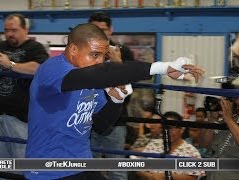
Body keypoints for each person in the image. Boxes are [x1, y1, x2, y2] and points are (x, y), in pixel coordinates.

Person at [25, 23, 204, 180]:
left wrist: (115, 99)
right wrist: (162, 68)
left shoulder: (93, 81)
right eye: (94, 55)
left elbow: (103, 125)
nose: (99, 61)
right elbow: (103, 72)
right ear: (73, 49)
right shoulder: (53, 69)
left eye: (103, 56)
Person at [0, 13, 49, 160]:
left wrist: (12, 65)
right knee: (0, 162)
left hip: (22, 117)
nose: (9, 34)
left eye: (14, 30)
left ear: (25, 29)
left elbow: (40, 68)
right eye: (6, 30)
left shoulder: (35, 48)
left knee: (22, 162)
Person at [88, 11, 135, 180]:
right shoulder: (83, 54)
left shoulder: (124, 52)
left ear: (110, 30)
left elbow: (129, 89)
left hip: (116, 121)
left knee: (117, 171)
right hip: (88, 120)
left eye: (103, 29)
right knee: (89, 170)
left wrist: (117, 63)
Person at [201, 75, 239, 180]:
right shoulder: (233, 117)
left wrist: (229, 120)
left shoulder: (230, 119)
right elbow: (204, 143)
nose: (238, 102)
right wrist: (211, 119)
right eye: (236, 98)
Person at [134, 111, 205, 180]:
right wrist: (148, 176)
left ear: (181, 129)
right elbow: (140, 169)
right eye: (164, 128)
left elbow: (193, 177)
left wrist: (166, 176)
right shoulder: (153, 145)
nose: (167, 132)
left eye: (171, 128)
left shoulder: (191, 152)